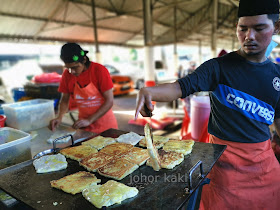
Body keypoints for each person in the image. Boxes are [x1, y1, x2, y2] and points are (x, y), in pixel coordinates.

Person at [135, 0, 280, 209]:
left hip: (264, 169)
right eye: (243, 28)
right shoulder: (218, 68)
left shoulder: (276, 76)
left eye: (259, 28)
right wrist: (149, 91)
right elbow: (181, 87)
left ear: (276, 27)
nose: (249, 36)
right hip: (223, 165)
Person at [49, 43, 118, 133]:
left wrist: (89, 120)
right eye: (68, 68)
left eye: (75, 67)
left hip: (105, 126)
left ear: (84, 60)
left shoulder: (99, 70)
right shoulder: (67, 74)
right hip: (83, 126)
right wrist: (59, 117)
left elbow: (109, 101)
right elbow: (65, 99)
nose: (72, 71)